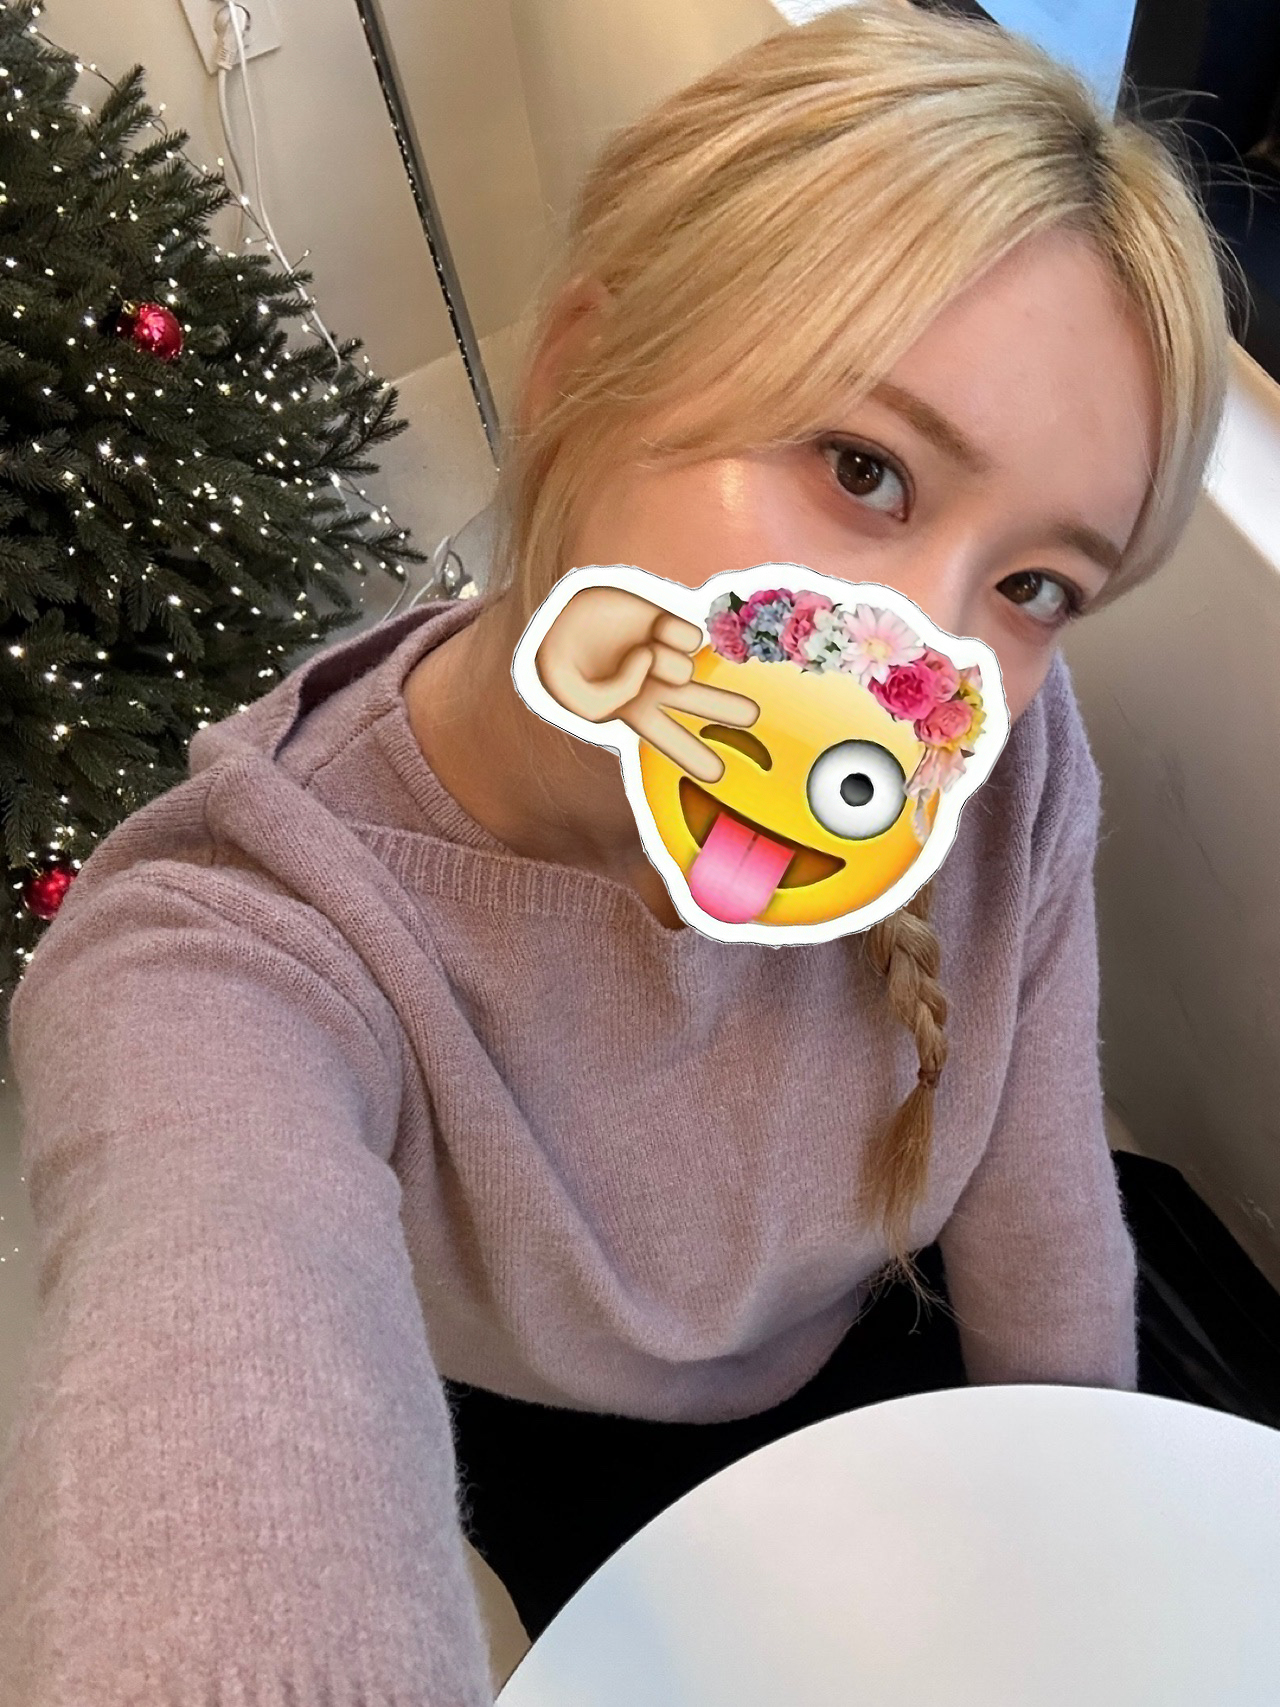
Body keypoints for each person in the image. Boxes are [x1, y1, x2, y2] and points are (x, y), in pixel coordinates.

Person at [0, 2, 1232, 1701]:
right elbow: (216, 1338)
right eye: (863, 468)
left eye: (1033, 584)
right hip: (580, 1442)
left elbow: (1046, 1226)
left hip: (884, 1336)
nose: (916, 671)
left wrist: (1084, 1555)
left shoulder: (1003, 756)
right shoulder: (242, 941)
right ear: (582, 366)